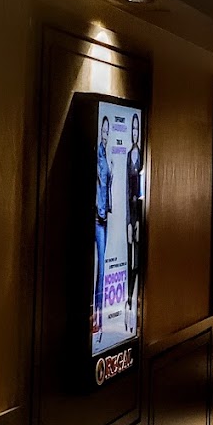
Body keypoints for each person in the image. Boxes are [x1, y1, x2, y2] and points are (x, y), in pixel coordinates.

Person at [94, 115, 113, 342]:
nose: (106, 135)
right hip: (98, 217)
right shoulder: (98, 155)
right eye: (104, 131)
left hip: (104, 217)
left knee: (102, 268)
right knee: (99, 270)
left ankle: (99, 319)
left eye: (108, 132)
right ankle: (97, 319)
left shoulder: (105, 155)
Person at [125, 114, 144, 333]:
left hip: (140, 215)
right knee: (130, 262)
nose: (135, 132)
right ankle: (129, 300)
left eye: (137, 129)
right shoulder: (129, 157)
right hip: (131, 216)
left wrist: (139, 220)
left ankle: (134, 304)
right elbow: (127, 192)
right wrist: (130, 222)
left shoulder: (142, 157)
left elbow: (142, 193)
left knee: (137, 264)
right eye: (133, 129)